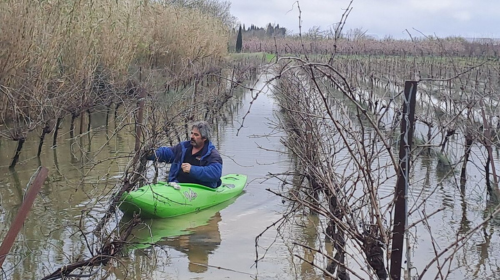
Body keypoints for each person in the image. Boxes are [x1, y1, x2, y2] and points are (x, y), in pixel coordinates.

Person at [147, 121, 223, 188]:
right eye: (192, 133)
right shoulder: (183, 147)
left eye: (196, 135)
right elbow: (167, 153)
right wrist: (152, 153)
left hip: (201, 189)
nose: (192, 137)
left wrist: (192, 169)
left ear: (204, 138)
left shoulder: (212, 154)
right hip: (177, 186)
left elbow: (215, 173)